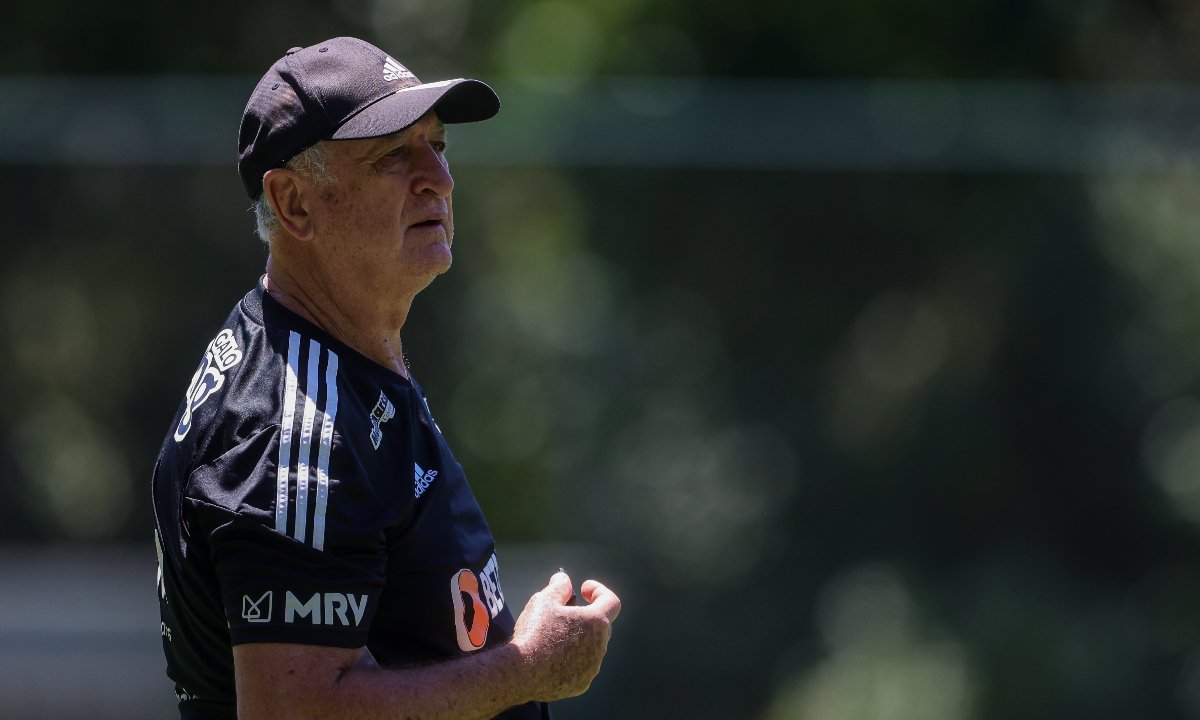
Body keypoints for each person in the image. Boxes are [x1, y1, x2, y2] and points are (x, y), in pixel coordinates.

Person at [151, 36, 621, 720]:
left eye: (438, 145)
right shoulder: (294, 422)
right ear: (295, 205)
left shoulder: (348, 353)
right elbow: (292, 712)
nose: (439, 177)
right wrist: (529, 669)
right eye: (392, 157)